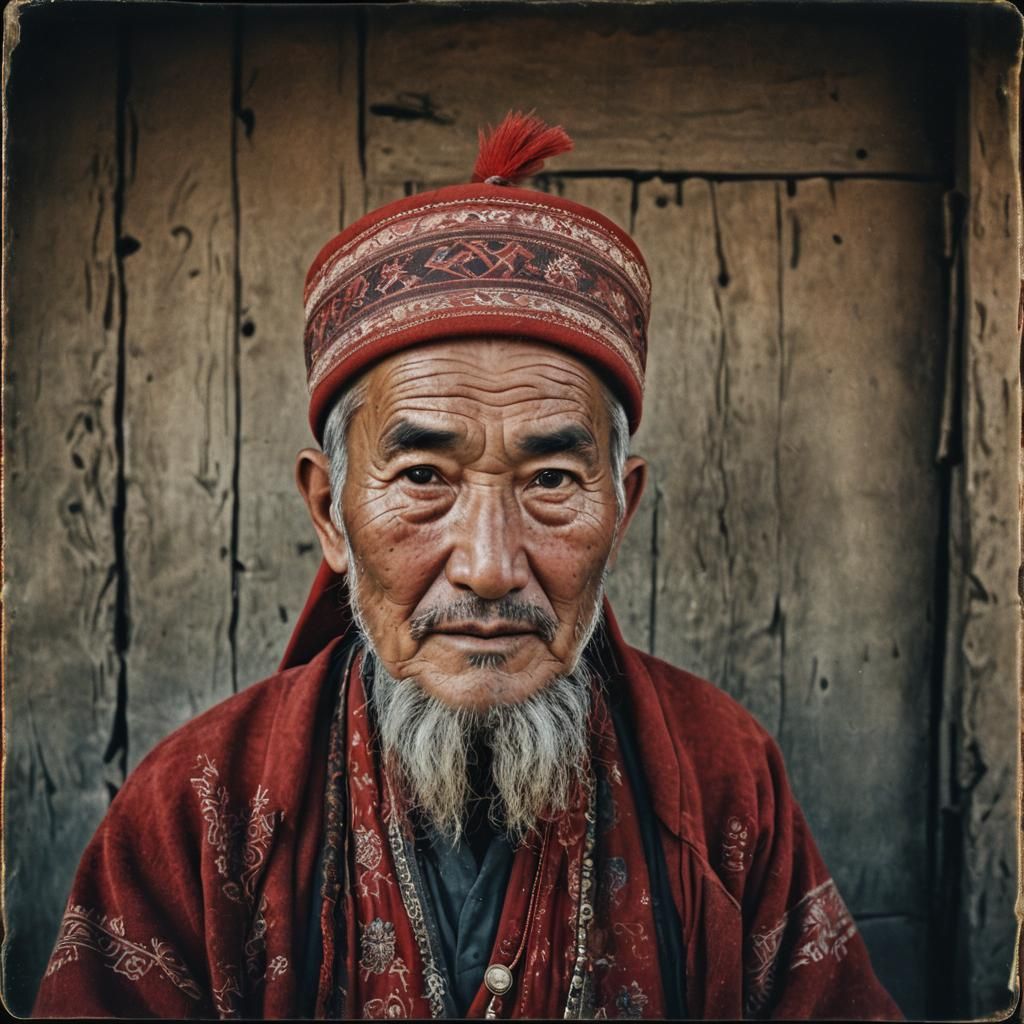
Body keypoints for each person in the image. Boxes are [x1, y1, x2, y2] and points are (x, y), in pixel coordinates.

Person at [33, 113, 900, 1020]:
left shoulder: (722, 785)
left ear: (623, 507)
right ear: (331, 512)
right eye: (422, 477)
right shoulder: (193, 816)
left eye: (553, 479)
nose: (489, 567)